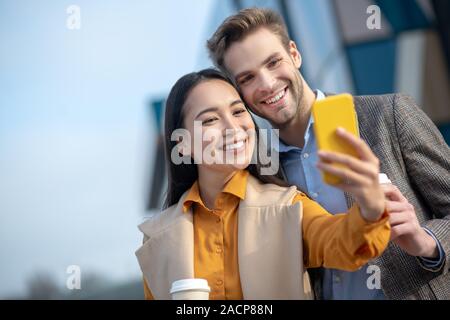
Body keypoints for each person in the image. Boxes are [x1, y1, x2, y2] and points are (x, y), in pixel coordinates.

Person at [206, 8, 450, 299]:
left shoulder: (388, 115)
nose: (267, 84)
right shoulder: (260, 170)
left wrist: (427, 242)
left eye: (273, 62)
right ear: (238, 92)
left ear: (294, 54)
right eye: (247, 78)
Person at [135, 68, 390, 300]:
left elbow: (344, 244)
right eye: (211, 120)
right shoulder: (157, 238)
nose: (233, 127)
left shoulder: (288, 206)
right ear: (183, 145)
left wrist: (370, 206)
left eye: (237, 111)